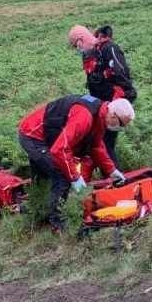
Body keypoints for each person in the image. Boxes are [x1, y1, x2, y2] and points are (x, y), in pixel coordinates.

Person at [18, 95, 133, 232]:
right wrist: (75, 177)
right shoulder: (84, 117)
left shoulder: (100, 115)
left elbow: (96, 146)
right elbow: (60, 149)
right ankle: (57, 222)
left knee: (45, 177)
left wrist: (112, 171)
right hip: (32, 135)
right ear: (113, 115)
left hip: (45, 136)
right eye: (120, 124)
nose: (119, 128)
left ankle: (37, 208)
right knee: (61, 175)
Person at [90, 25, 137, 167]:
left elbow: (119, 71)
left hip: (115, 102)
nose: (93, 40)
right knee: (104, 140)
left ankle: (114, 176)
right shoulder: (99, 51)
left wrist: (121, 96)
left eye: (95, 36)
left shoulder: (110, 48)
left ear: (102, 36)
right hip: (108, 101)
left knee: (106, 140)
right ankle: (112, 174)